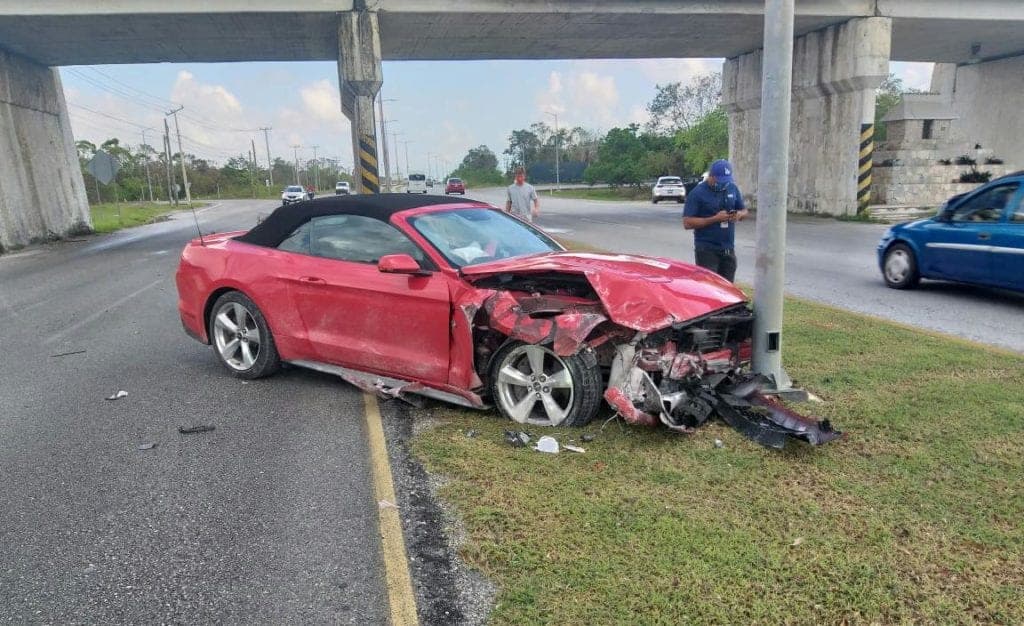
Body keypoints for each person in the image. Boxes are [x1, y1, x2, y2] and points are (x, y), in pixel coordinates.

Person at [682, 159, 748, 282]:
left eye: (726, 180)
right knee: (710, 288)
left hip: (728, 249)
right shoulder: (697, 193)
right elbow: (687, 222)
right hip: (707, 250)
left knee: (728, 290)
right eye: (720, 180)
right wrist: (715, 219)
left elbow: (744, 211)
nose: (723, 184)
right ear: (711, 176)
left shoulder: (732, 188)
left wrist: (738, 215)